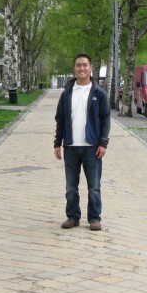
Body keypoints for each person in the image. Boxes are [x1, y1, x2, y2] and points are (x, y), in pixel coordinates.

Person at [54, 53, 111, 231]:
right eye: (78, 65)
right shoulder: (67, 92)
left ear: (90, 67)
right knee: (71, 187)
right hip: (70, 146)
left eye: (85, 65)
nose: (82, 68)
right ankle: (72, 217)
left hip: (92, 148)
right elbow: (60, 119)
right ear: (74, 68)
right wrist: (57, 142)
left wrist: (103, 143)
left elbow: (106, 119)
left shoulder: (99, 93)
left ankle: (94, 218)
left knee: (94, 187)